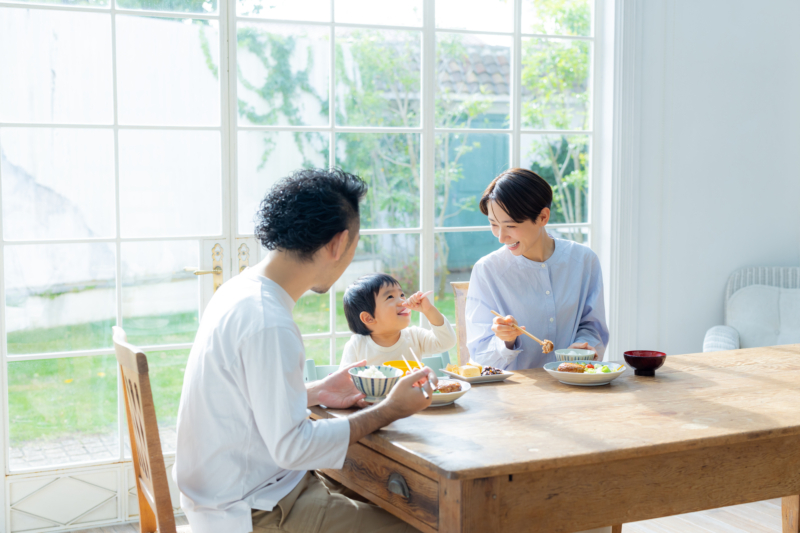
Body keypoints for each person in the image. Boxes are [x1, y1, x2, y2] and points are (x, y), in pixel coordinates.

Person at [173, 168, 437, 533]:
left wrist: (316, 391)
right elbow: (292, 448)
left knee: (381, 497)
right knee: (427, 523)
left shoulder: (239, 290)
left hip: (239, 490)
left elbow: (244, 402)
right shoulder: (269, 322)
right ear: (337, 244)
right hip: (254, 510)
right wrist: (390, 410)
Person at [466, 168, 609, 370]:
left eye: (511, 225)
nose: (501, 237)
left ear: (543, 217)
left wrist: (583, 347)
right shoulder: (487, 270)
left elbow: (592, 326)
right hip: (512, 393)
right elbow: (480, 355)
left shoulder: (584, 261)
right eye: (493, 224)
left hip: (572, 386)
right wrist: (506, 341)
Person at [338, 273, 457, 368]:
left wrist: (429, 310)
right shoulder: (357, 345)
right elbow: (344, 382)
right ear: (369, 318)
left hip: (411, 398)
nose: (402, 301)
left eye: (402, 294)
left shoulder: (415, 336)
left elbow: (447, 341)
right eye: (390, 297)